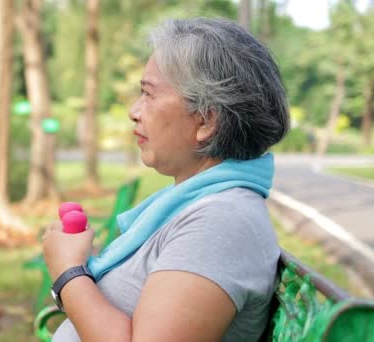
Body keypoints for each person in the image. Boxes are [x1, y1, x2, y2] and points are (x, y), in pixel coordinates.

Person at [43, 17, 289, 341]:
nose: (134, 110)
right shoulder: (204, 208)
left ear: (206, 121)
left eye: (148, 94)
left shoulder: (221, 223)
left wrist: (68, 273)